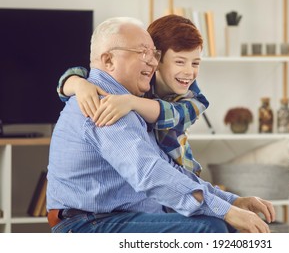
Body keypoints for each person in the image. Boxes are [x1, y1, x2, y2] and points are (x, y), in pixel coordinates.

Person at [47, 16, 276, 233]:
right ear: (108, 60)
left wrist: (232, 202)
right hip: (89, 224)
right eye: (141, 52)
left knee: (218, 222)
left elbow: (168, 167)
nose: (151, 61)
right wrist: (226, 211)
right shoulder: (103, 105)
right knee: (210, 229)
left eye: (153, 53)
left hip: (115, 217)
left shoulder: (132, 103)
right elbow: (149, 172)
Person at [56, 15, 209, 176]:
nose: (189, 72)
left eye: (195, 63)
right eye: (179, 62)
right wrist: (79, 84)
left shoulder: (194, 97)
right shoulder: (138, 82)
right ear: (157, 59)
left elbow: (172, 114)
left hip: (181, 174)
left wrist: (131, 102)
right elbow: (82, 73)